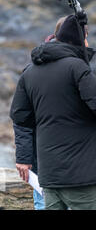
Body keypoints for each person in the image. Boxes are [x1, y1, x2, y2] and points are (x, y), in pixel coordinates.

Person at [10, 14, 96, 210]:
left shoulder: (30, 72)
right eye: (86, 36)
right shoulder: (76, 67)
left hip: (48, 174)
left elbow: (20, 117)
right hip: (80, 174)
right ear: (79, 38)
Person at [14, 16, 67, 210]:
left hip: (55, 159)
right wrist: (24, 157)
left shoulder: (76, 66)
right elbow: (21, 117)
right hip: (44, 161)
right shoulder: (35, 69)